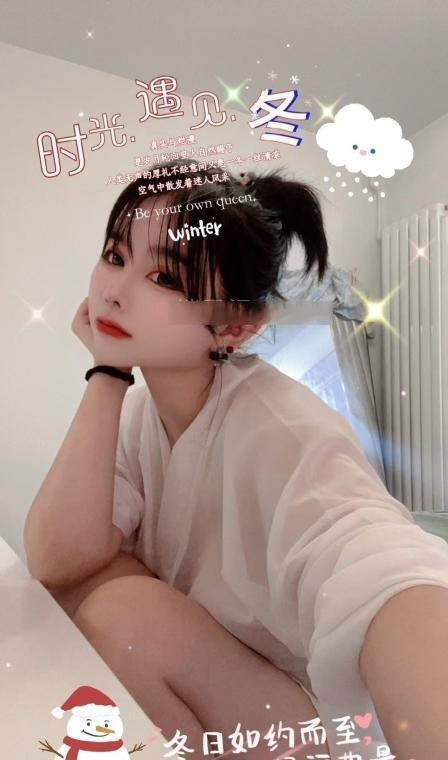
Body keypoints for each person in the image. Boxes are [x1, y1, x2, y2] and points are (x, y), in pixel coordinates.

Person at [24, 159, 448, 760]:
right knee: (95, 590)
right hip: (238, 690)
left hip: (310, 721)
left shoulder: (285, 428)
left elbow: (383, 567)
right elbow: (56, 561)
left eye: (164, 277)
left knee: (121, 612)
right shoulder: (142, 412)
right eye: (115, 256)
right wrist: (107, 375)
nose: (113, 290)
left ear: (235, 327)